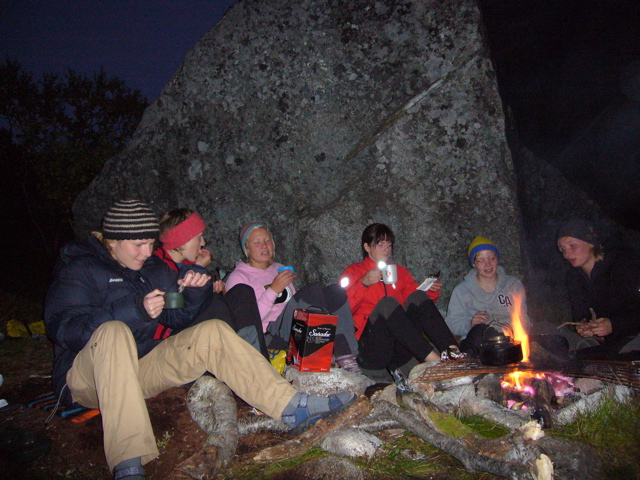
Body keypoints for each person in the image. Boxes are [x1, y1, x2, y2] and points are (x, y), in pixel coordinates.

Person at [45, 200, 356, 480]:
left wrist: (194, 291)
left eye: (150, 244)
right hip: (87, 376)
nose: (146, 252)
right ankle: (128, 464)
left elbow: (173, 319)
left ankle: (290, 405)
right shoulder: (82, 268)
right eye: (138, 245)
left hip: (138, 368)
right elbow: (62, 328)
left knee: (212, 332)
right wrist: (132, 311)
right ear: (112, 240)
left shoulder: (143, 270)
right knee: (115, 331)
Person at [225, 223, 362, 373]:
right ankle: (318, 353)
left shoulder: (279, 268)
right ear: (247, 248)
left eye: (267, 240)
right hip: (268, 336)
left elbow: (292, 303)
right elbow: (246, 322)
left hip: (291, 328)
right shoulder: (238, 277)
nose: (264, 246)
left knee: (335, 292)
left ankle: (346, 356)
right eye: (257, 242)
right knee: (310, 292)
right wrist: (273, 290)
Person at [338, 223, 463, 375]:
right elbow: (340, 312)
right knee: (387, 304)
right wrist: (363, 283)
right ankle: (436, 362)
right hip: (371, 348)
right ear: (367, 247)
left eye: (389, 245)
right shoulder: (353, 272)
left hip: (400, 346)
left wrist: (430, 291)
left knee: (417, 296)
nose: (387, 249)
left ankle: (454, 352)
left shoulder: (400, 272)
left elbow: (416, 304)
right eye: (381, 244)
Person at [154, 209, 268, 358]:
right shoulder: (157, 267)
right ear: (183, 240)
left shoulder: (187, 263)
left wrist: (212, 289)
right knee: (215, 304)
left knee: (242, 291)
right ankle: (240, 362)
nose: (203, 243)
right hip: (169, 339)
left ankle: (259, 360)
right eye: (199, 237)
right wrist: (198, 269)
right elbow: (174, 314)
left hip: (193, 323)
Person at [557, 219, 640, 360]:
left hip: (634, 336)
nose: (567, 254)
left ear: (591, 243)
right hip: (606, 342)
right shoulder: (573, 277)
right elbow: (580, 315)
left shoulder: (622, 265)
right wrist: (585, 327)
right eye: (563, 249)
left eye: (572, 246)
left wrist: (613, 324)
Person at [445, 236, 530, 356]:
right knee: (480, 330)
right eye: (481, 260)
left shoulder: (513, 284)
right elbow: (451, 323)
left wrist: (516, 336)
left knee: (554, 341)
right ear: (474, 263)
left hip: (510, 341)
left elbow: (523, 318)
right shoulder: (462, 290)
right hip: (479, 343)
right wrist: (470, 324)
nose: (488, 264)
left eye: (492, 258)